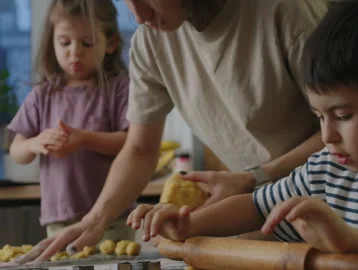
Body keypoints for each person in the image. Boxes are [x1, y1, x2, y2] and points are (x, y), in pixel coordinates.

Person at [125, 1, 358, 269]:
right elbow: (255, 206)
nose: (327, 136)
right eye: (318, 116)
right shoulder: (326, 170)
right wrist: (187, 223)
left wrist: (354, 240)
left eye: (342, 115)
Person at [17, 0, 329, 264]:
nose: (138, 15)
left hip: (335, 207)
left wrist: (254, 177)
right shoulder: (150, 41)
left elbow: (344, 129)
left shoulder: (286, 11)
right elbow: (139, 149)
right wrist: (95, 219)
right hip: (256, 213)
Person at [8, 0, 133, 251]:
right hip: (59, 219)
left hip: (112, 218)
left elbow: (132, 145)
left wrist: (84, 138)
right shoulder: (43, 94)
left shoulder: (119, 88)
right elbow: (17, 151)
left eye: (87, 43)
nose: (74, 53)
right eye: (64, 42)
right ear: (51, 42)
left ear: (110, 44)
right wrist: (36, 142)